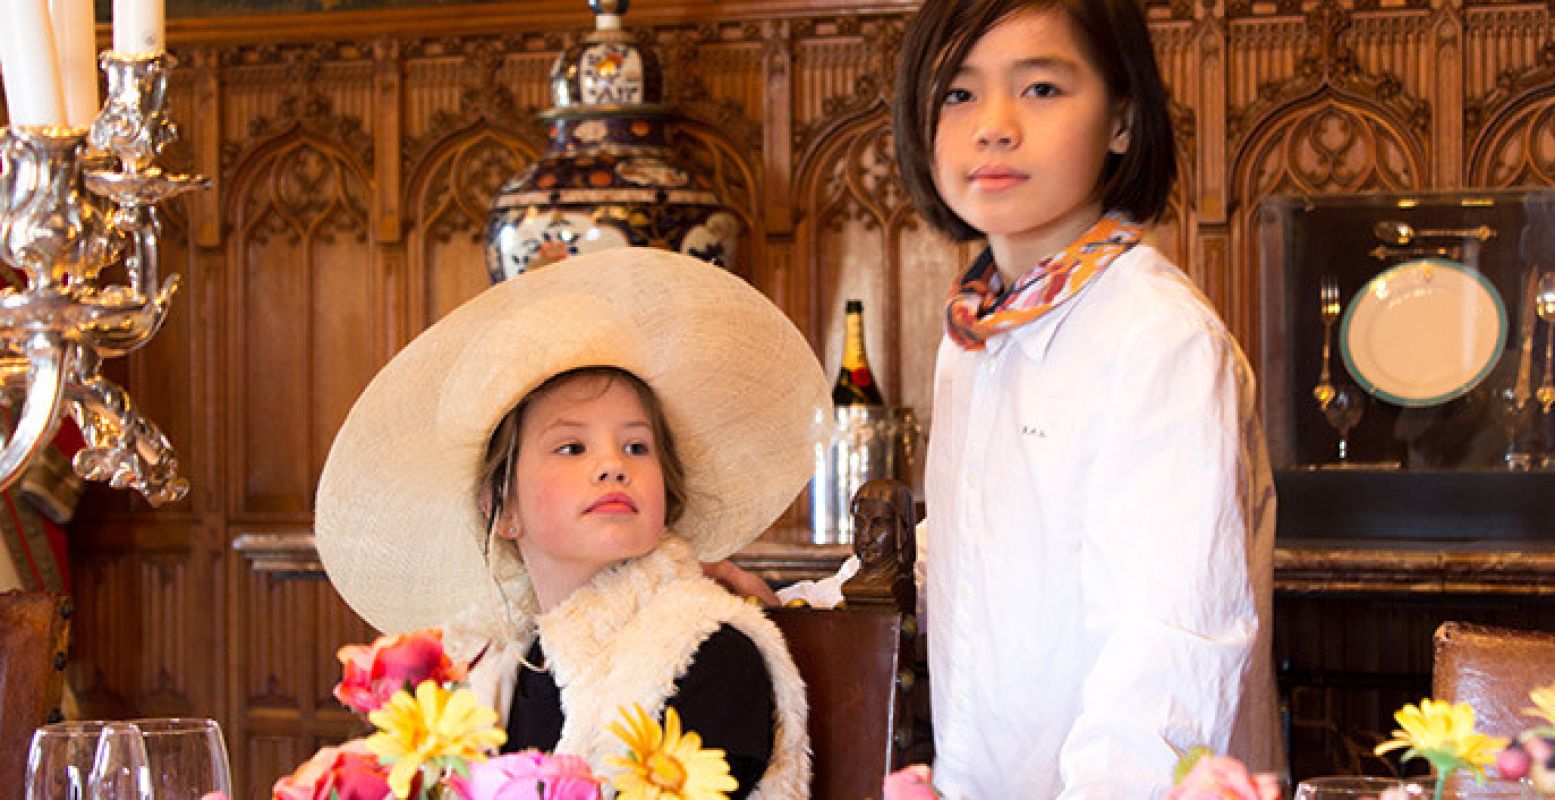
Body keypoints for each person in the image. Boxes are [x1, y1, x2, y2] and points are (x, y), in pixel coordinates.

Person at [891, 1, 1280, 797]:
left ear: (1122, 122)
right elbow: (983, 538)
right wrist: (811, 598)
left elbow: (1167, 637)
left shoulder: (1152, 335)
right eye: (957, 95)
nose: (993, 126)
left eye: (1038, 89)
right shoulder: (979, 325)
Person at [314, 248, 826, 799]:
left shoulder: (709, 650)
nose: (613, 465)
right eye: (571, 446)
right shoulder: (502, 669)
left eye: (636, 445)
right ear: (502, 508)